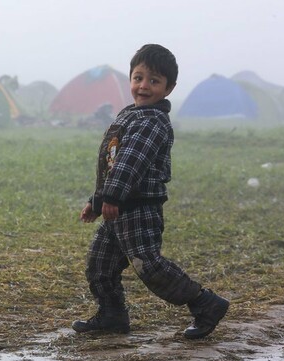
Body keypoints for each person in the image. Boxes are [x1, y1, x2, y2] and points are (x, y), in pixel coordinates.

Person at [72, 44, 229, 339]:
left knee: (150, 266)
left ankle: (205, 303)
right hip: (116, 207)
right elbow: (111, 163)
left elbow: (132, 162)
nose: (143, 86)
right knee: (99, 264)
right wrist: (96, 201)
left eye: (154, 81)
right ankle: (112, 315)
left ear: (169, 88)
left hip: (138, 209)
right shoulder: (130, 115)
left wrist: (112, 196)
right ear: (130, 78)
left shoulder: (152, 122)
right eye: (138, 77)